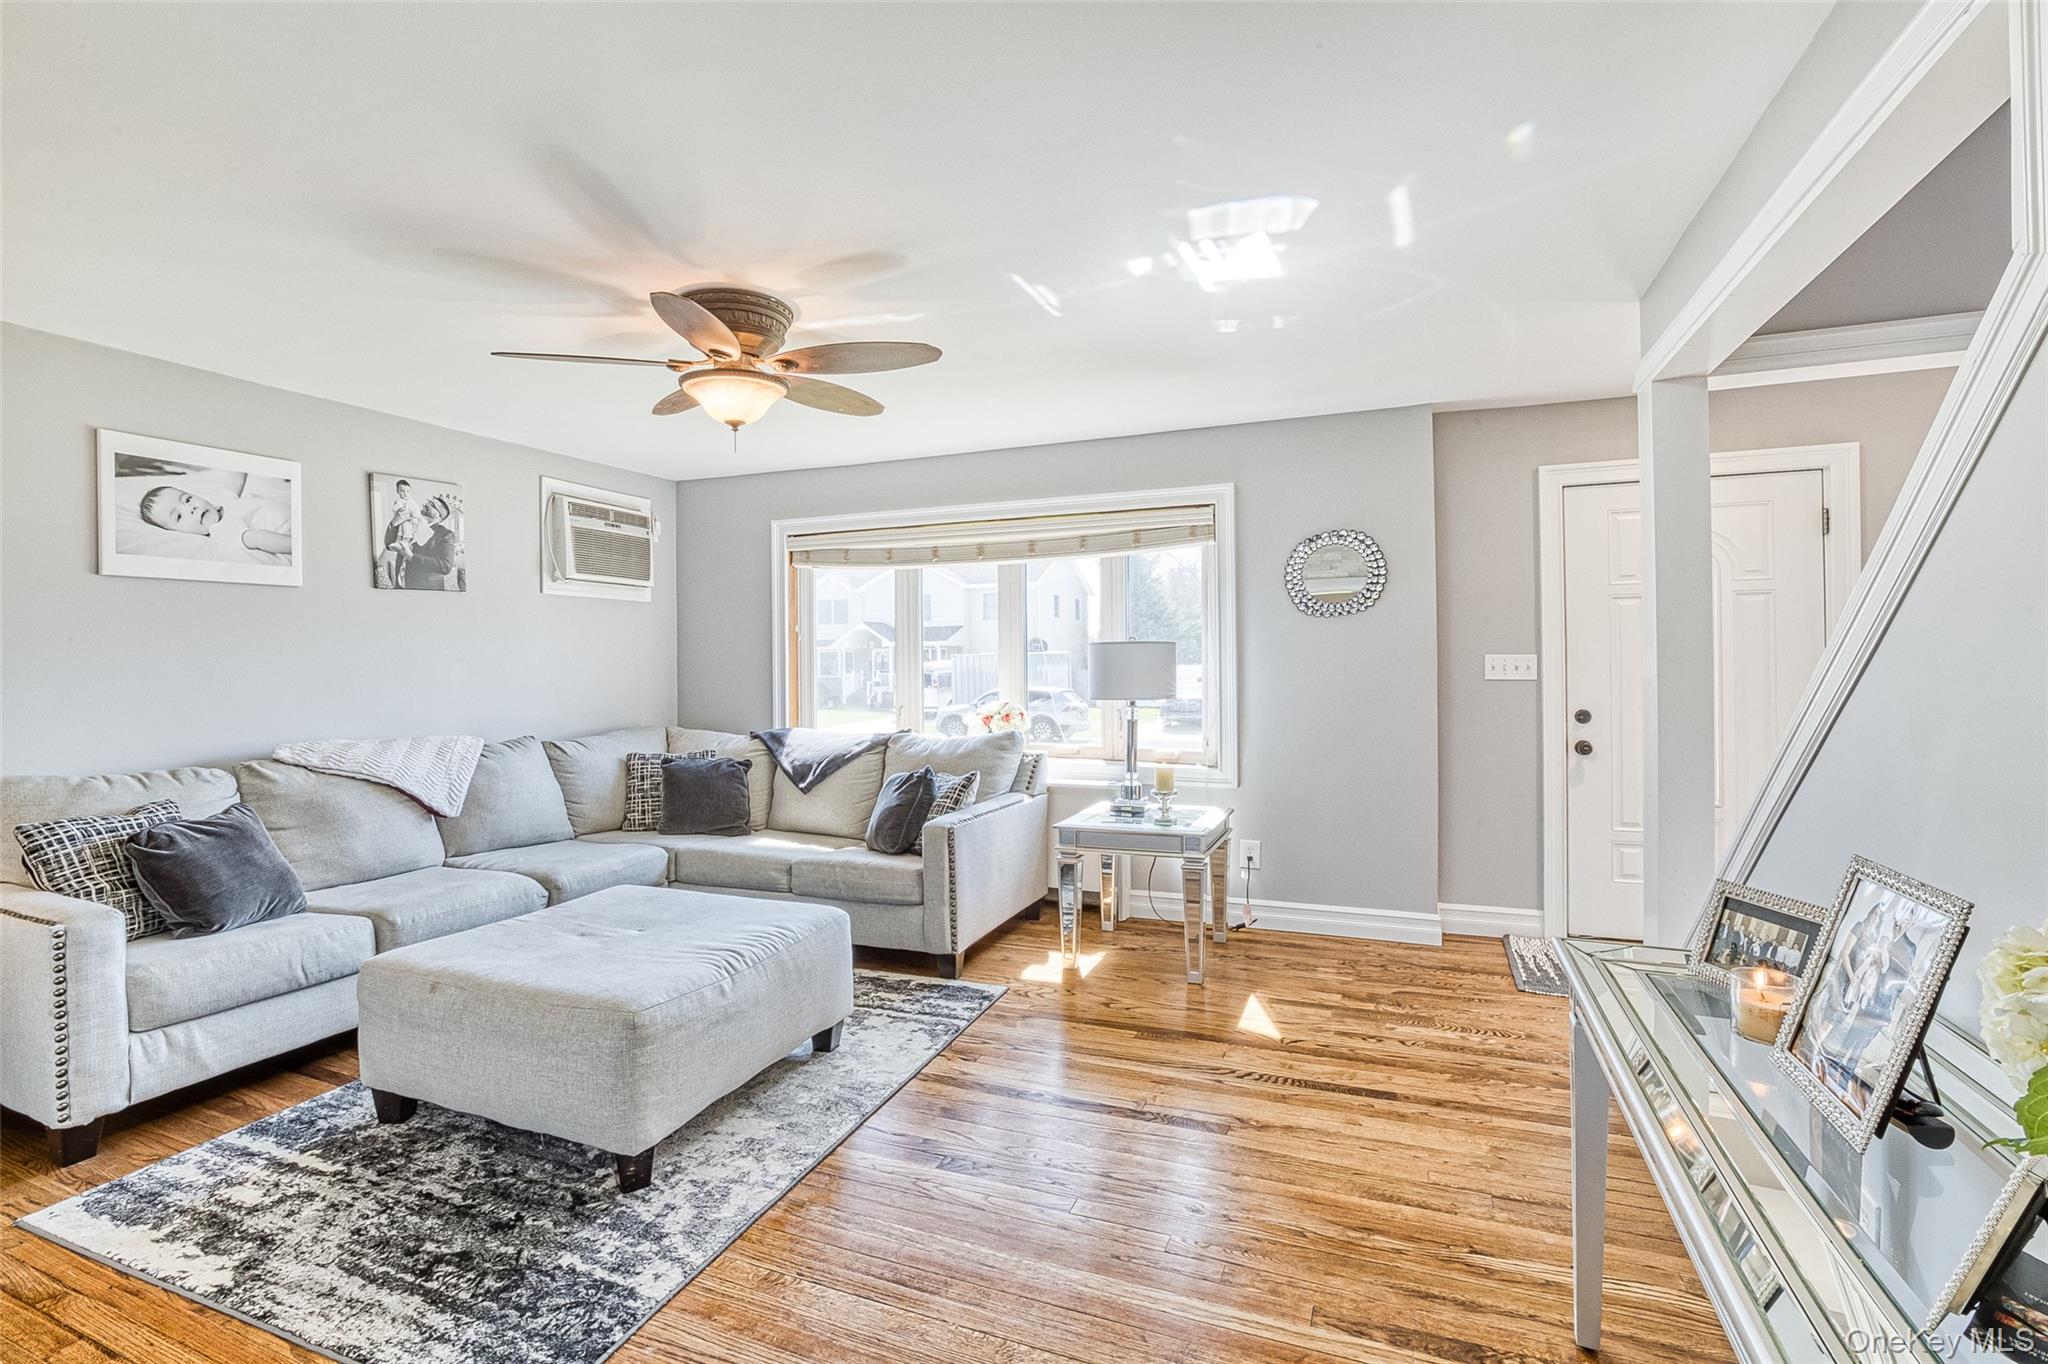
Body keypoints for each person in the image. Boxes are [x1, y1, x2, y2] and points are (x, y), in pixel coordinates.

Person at [138, 480, 292, 556]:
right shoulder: (222, 530)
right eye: (179, 516)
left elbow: (233, 482)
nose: (190, 509)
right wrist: (298, 545)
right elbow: (258, 538)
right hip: (289, 531)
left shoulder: (224, 503)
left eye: (187, 499)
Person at [398, 494, 462, 590]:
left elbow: (445, 566)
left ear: (438, 515)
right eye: (428, 501)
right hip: (406, 585)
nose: (426, 504)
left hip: (428, 590)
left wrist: (411, 557)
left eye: (432, 504)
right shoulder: (412, 525)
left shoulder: (446, 534)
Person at [375, 479, 417, 588]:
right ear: (398, 492)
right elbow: (388, 542)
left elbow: (415, 512)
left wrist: (414, 518)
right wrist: (396, 520)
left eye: (408, 491)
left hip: (410, 525)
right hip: (401, 524)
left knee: (407, 533)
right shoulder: (399, 502)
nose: (405, 494)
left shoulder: (412, 503)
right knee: (400, 533)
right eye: (402, 491)